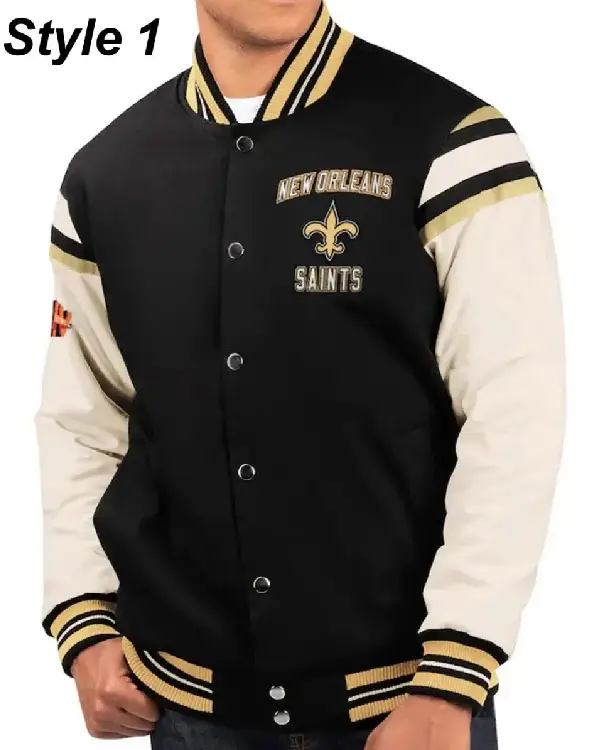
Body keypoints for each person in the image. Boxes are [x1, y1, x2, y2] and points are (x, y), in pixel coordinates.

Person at [36, 1, 565, 748]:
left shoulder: (453, 143)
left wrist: (456, 668)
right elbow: (84, 417)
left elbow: (514, 416)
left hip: (405, 707)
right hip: (185, 709)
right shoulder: (104, 175)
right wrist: (85, 619)